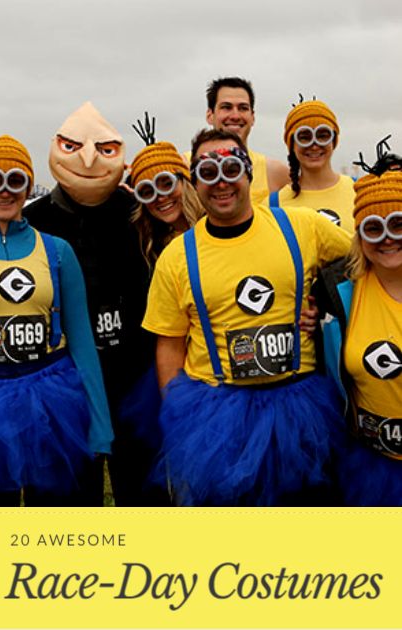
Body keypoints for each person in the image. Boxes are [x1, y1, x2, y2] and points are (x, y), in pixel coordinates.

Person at [142, 128, 351, 507]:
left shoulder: (303, 226)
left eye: (231, 168)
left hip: (299, 409)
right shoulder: (176, 256)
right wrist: (178, 422)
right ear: (194, 182)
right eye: (208, 172)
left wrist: (325, 303)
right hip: (217, 415)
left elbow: (366, 264)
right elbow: (169, 344)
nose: (221, 182)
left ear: (248, 174)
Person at [24, 103, 155, 506]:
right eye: (73, 146)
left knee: (143, 493)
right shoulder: (34, 219)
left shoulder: (138, 213)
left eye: (103, 150)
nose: (87, 159)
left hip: (133, 373)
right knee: (67, 499)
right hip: (64, 376)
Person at [0, 134, 114, 506]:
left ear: (28, 186)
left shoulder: (57, 251)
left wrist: (100, 427)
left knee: (55, 524)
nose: (5, 191)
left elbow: (83, 342)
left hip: (53, 401)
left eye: (16, 180)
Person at [318, 156, 402, 506]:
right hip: (373, 466)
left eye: (397, 224)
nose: (386, 239)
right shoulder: (337, 290)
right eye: (372, 227)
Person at [185, 77, 289, 208]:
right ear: (210, 115)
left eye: (243, 108)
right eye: (226, 107)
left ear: (253, 117)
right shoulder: (184, 167)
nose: (235, 116)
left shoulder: (275, 173)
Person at [270, 96, 355, 234]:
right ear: (292, 145)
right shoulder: (274, 205)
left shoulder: (358, 191)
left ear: (334, 141)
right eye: (304, 137)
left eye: (322, 136)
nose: (314, 146)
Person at [130, 138, 206, 269]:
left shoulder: (217, 226)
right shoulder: (148, 245)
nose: (160, 197)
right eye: (148, 192)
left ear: (186, 182)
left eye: (167, 184)